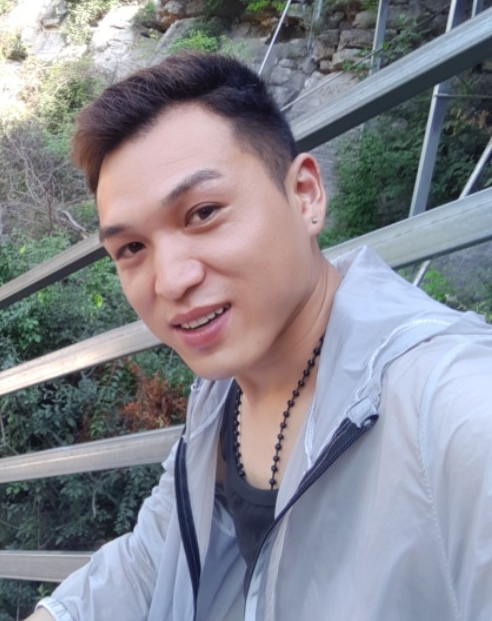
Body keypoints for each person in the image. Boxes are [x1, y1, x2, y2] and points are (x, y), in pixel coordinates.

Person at [25, 53, 492, 620]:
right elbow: (155, 555)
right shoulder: (220, 396)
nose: (170, 280)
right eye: (132, 248)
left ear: (305, 195)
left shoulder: (454, 411)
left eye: (203, 213)